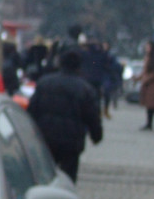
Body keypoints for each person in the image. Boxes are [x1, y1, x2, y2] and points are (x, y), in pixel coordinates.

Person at [27, 45, 102, 182]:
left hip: (46, 136)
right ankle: (65, 198)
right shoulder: (84, 88)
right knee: (68, 176)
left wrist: (31, 133)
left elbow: (32, 109)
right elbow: (92, 115)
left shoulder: (45, 83)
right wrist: (96, 136)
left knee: (45, 173)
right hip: (71, 141)